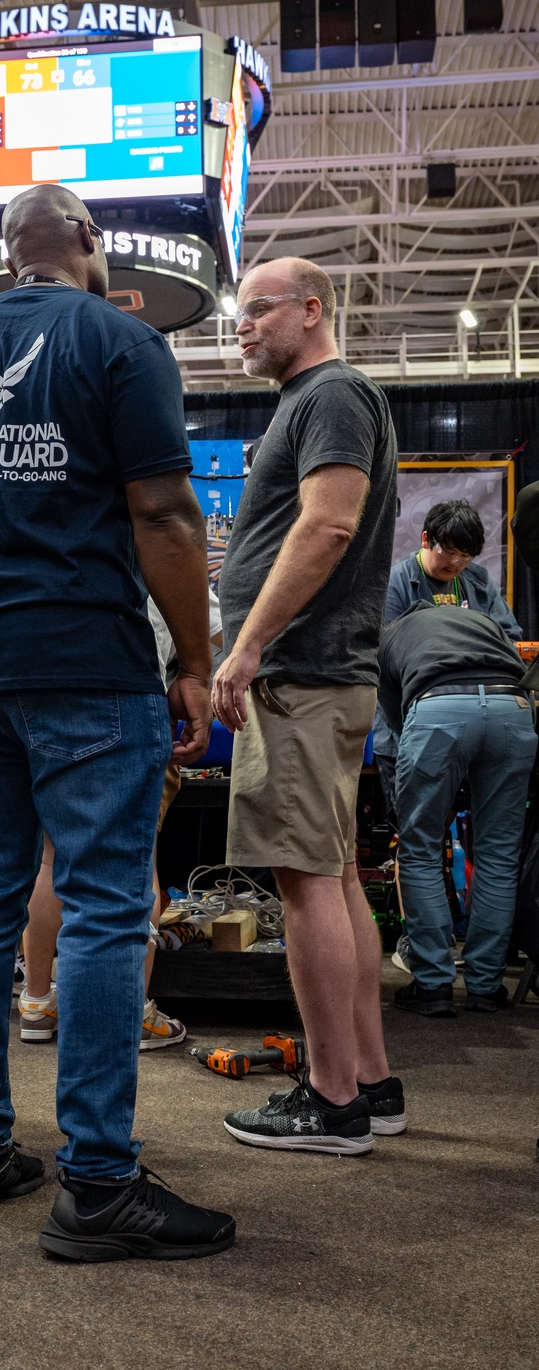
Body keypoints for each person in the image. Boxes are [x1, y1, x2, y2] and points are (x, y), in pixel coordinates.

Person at [0, 183, 234, 1262]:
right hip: (85, 658)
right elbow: (167, 513)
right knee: (98, 907)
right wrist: (193, 657)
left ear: (3, 254)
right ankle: (95, 1181)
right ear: (86, 242)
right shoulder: (120, 342)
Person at [212, 256, 402, 1156]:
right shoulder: (316, 399)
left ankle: (331, 1100)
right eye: (237, 314)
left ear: (311, 309)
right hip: (319, 670)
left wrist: (248, 645)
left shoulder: (330, 394)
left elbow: (328, 523)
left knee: (304, 881)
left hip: (303, 671)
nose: (240, 327)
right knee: (328, 876)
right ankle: (367, 1077)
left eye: (257, 311)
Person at [18, 594, 224, 1049]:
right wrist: (189, 671)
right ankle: (130, 1011)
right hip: (129, 702)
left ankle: (36, 1000)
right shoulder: (153, 539)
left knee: (51, 861)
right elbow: (215, 627)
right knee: (136, 868)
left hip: (48, 694)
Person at [379, 602, 537, 1016]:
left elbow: (397, 717)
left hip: (437, 707)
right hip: (512, 708)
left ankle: (433, 985)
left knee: (419, 849)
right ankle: (486, 986)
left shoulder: (392, 634)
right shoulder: (483, 620)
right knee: (500, 853)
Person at [373, 500, 521, 813]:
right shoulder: (394, 584)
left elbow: (510, 637)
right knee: (416, 827)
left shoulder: (477, 582)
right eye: (448, 551)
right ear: (426, 539)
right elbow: (383, 656)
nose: (454, 562)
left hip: (472, 725)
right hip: (410, 727)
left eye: (465, 556)